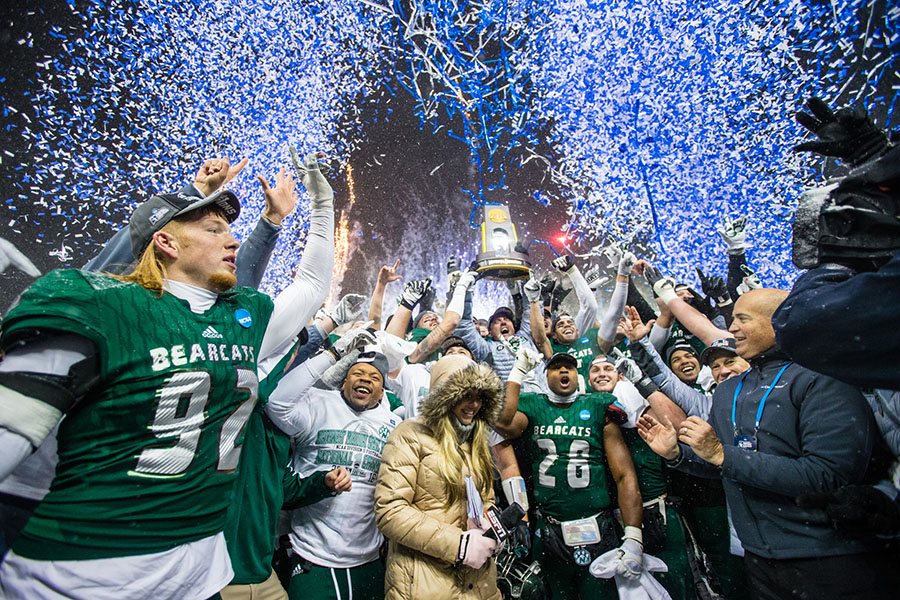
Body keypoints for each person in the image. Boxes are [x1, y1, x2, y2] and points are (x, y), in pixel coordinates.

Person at [0, 154, 335, 599]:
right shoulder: (103, 306)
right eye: (215, 230)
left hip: (200, 577)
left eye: (230, 230)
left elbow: (312, 285)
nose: (233, 241)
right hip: (85, 578)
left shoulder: (241, 319)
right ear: (167, 244)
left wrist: (322, 206)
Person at [639, 288, 895, 599]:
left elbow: (827, 475)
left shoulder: (821, 379)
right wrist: (680, 455)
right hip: (758, 558)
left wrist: (721, 455)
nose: (732, 328)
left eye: (742, 319)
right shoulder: (727, 391)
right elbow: (725, 466)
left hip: (828, 557)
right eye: (732, 320)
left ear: (778, 322)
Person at [493, 350, 642, 600]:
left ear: (578, 374)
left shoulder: (597, 404)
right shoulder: (534, 404)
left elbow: (624, 475)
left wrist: (634, 536)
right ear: (545, 375)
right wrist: (517, 372)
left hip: (598, 524)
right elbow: (503, 422)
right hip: (551, 528)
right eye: (556, 367)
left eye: (569, 367)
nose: (564, 371)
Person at [265, 340, 399, 600]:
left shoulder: (395, 424)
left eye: (374, 377)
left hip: (367, 557)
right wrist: (333, 355)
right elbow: (276, 403)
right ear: (343, 382)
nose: (366, 380)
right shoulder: (317, 402)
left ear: (382, 393)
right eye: (357, 374)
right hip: (312, 553)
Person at [374, 354, 504, 600]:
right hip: (424, 581)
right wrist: (458, 545)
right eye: (466, 395)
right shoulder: (410, 434)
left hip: (477, 584)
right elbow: (389, 511)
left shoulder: (475, 441)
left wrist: (492, 528)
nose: (474, 404)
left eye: (479, 397)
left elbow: (486, 501)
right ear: (446, 396)